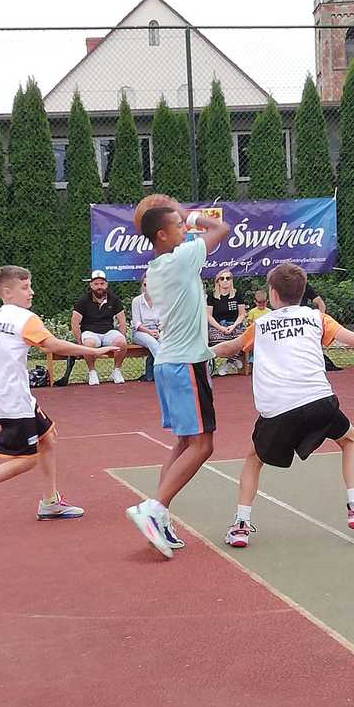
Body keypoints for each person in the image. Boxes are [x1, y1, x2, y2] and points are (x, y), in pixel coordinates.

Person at [212, 262, 354, 548]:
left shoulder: (261, 324)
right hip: (319, 402)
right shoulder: (316, 318)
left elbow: (231, 348)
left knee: (254, 459)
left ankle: (241, 525)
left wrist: (201, 352)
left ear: (273, 295)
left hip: (277, 410)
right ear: (303, 293)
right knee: (350, 440)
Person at [0, 265, 118, 527]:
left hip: (6, 395)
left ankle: (50, 502)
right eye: (25, 287)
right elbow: (51, 344)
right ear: (7, 292)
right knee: (27, 459)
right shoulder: (24, 320)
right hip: (13, 399)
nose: (31, 292)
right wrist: (93, 352)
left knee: (49, 437)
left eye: (30, 285)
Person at [126, 201, 230, 558]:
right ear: (162, 234)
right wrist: (190, 214)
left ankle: (159, 513)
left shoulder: (157, 268)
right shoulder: (180, 260)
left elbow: (202, 235)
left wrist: (178, 217)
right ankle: (153, 509)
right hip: (185, 365)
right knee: (203, 446)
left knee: (186, 443)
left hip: (170, 364)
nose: (186, 229)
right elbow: (220, 230)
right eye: (178, 226)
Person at [71, 270, 128, 386]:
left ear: (106, 285)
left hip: (108, 332)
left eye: (102, 284)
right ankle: (92, 371)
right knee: (88, 344)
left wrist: (123, 336)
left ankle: (116, 371)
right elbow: (75, 323)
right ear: (91, 285)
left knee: (121, 342)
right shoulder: (83, 301)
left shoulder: (114, 299)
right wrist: (79, 343)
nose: (99, 287)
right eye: (96, 284)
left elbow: (122, 321)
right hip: (90, 333)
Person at [206, 269, 247, 376]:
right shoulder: (212, 296)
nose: (225, 281)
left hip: (235, 325)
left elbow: (242, 314)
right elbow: (209, 316)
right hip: (218, 327)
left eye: (228, 278)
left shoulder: (237, 294)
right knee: (215, 338)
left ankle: (229, 362)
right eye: (222, 278)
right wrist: (221, 328)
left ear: (231, 280)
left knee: (243, 338)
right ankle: (233, 359)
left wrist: (234, 326)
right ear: (217, 281)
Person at [303, 281, 343, 372]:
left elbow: (320, 303)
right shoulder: (279, 283)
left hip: (304, 324)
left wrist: (320, 320)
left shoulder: (303, 284)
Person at [131, 274, 161, 382]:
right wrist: (149, 332)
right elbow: (137, 324)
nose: (148, 287)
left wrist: (159, 331)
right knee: (152, 342)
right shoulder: (136, 301)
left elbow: (163, 321)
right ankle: (163, 370)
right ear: (142, 286)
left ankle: (154, 373)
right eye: (145, 285)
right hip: (140, 332)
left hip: (156, 330)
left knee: (165, 341)